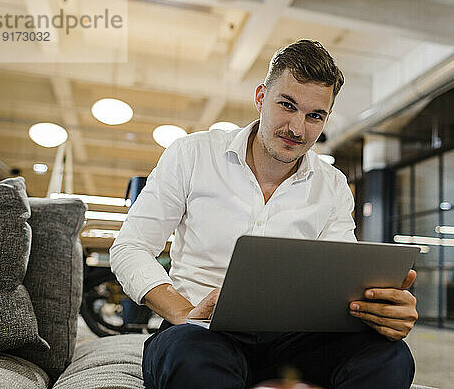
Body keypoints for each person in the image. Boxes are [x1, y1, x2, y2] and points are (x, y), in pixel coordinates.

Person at [110, 39, 418, 389]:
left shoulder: (332, 185)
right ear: (260, 97)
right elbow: (129, 247)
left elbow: (339, 285)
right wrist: (181, 312)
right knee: (191, 358)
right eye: (287, 105)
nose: (297, 129)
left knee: (390, 356)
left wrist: (380, 312)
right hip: (201, 333)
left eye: (314, 115)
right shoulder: (192, 154)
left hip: (295, 340)